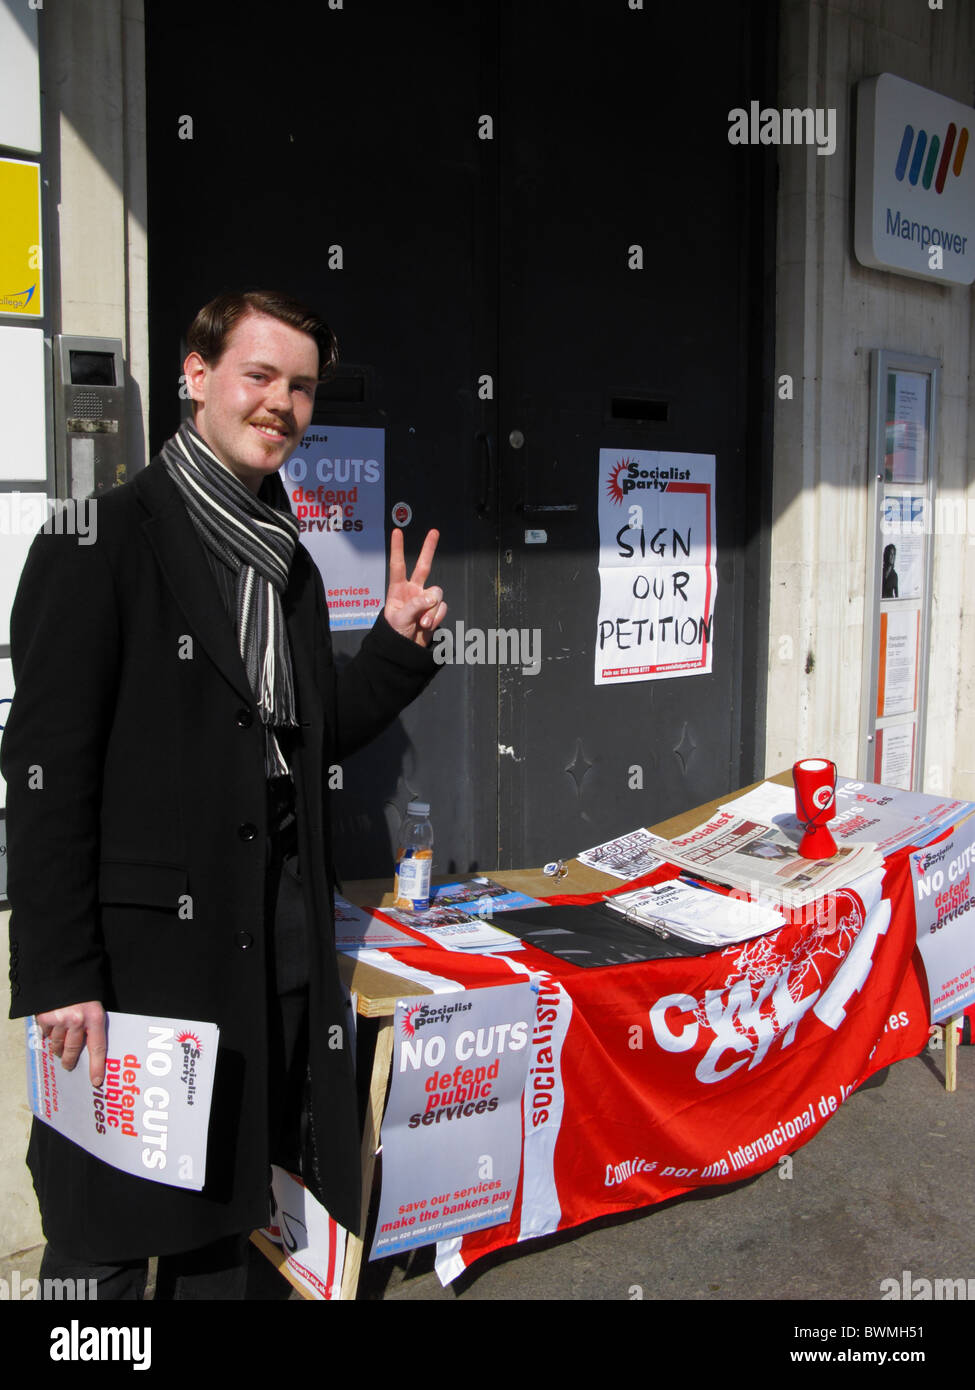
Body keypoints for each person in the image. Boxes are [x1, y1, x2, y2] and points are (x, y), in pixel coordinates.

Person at [2, 289, 447, 1298]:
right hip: (136, 963)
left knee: (231, 1214)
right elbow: (44, 781)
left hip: (267, 940)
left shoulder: (278, 550)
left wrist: (392, 643)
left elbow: (302, 725)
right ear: (196, 377)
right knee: (106, 1232)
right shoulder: (100, 541)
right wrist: (61, 968)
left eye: (300, 387)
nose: (282, 404)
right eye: (260, 375)